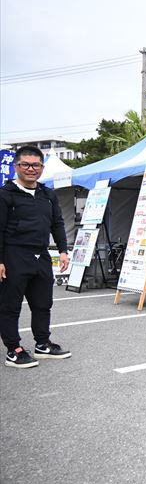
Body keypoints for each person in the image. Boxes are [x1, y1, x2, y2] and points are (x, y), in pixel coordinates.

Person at [0, 145, 71, 369]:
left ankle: (43, 343)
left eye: (36, 165)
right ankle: (14, 349)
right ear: (16, 166)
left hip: (42, 256)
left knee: (42, 303)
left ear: (42, 167)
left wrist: (62, 250)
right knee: (10, 306)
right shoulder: (5, 195)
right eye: (26, 164)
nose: (31, 169)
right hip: (14, 255)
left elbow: (57, 223)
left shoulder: (47, 194)